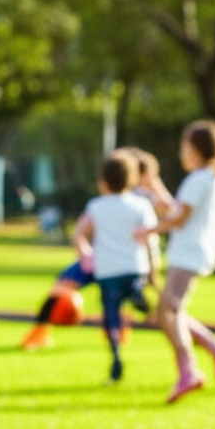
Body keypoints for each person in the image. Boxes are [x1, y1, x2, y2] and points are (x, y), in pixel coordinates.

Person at [136, 119, 215, 404]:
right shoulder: (208, 178)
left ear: (197, 149)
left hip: (189, 254)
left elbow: (179, 217)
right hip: (193, 253)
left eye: (184, 147)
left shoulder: (199, 178)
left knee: (168, 311)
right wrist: (155, 186)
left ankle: (189, 370)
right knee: (169, 310)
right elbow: (177, 209)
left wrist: (150, 230)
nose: (181, 153)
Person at [21, 147, 161, 351]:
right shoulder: (103, 205)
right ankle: (39, 333)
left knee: (130, 300)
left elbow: (80, 233)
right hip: (100, 261)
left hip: (117, 264)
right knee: (61, 289)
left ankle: (144, 326)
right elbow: (79, 234)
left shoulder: (132, 204)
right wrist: (85, 253)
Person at [72, 152, 160, 383]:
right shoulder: (140, 205)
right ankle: (138, 295)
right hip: (134, 267)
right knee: (133, 292)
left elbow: (79, 234)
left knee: (111, 315)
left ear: (103, 180)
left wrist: (85, 253)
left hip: (107, 270)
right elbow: (151, 241)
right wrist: (154, 273)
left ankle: (116, 354)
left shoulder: (96, 206)